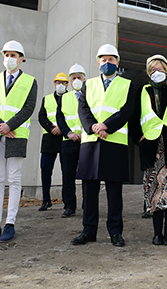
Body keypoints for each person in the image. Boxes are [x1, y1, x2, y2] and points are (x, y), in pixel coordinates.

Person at [71, 44, 136, 247]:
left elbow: (127, 111)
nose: (107, 63)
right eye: (103, 60)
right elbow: (83, 109)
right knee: (89, 192)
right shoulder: (88, 84)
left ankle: (115, 232)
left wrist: (106, 126)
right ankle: (88, 231)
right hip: (91, 142)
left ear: (118, 62)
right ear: (98, 62)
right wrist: (93, 127)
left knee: (114, 192)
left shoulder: (128, 85)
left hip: (114, 142)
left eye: (111, 60)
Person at [0, 40, 37, 243]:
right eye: (7, 54)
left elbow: (28, 107)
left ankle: (10, 223)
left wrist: (9, 126)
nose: (9, 58)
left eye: (14, 55)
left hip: (16, 135)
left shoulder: (30, 81)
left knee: (14, 179)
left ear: (21, 59)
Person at [131, 55, 167, 245]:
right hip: (151, 147)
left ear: (166, 70)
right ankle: (157, 234)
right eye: (153, 69)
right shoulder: (143, 91)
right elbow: (134, 116)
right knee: (154, 192)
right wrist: (138, 138)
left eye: (160, 69)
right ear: (148, 72)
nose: (157, 72)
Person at [56, 63, 87, 218]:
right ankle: (69, 206)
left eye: (79, 77)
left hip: (86, 141)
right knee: (67, 175)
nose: (76, 80)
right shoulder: (64, 98)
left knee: (88, 175)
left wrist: (85, 133)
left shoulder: (90, 94)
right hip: (68, 141)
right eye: (73, 78)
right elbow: (59, 118)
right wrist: (68, 133)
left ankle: (87, 205)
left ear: (84, 78)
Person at [37, 72, 70, 211]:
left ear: (67, 84)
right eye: (58, 82)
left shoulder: (72, 99)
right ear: (54, 83)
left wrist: (63, 129)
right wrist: (51, 128)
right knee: (46, 170)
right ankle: (46, 200)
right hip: (50, 138)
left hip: (65, 138)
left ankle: (67, 201)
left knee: (67, 171)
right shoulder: (47, 99)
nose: (60, 85)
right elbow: (42, 117)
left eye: (63, 83)